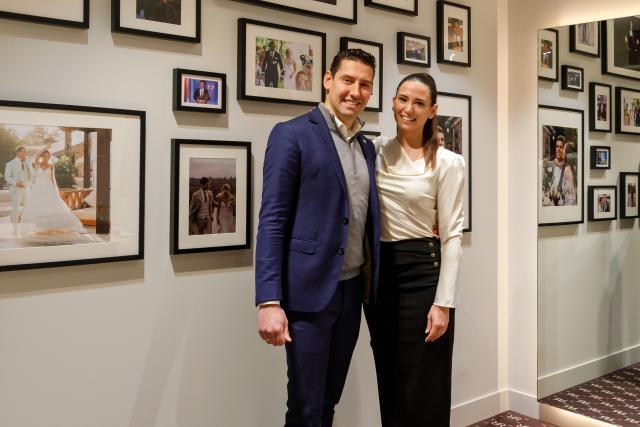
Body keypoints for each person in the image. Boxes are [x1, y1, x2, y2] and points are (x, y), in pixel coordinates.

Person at [255, 48, 380, 427]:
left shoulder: (366, 145)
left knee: (328, 402)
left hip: (351, 292)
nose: (355, 91)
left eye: (365, 85)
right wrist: (268, 301)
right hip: (308, 295)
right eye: (348, 80)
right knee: (306, 408)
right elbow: (273, 220)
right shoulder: (291, 135)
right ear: (328, 80)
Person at [366, 73, 465, 426]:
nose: (409, 109)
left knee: (426, 383)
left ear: (432, 110)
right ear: (392, 102)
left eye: (419, 103)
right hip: (379, 277)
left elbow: (452, 234)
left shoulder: (448, 162)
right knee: (390, 378)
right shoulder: (373, 151)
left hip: (424, 274)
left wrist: (444, 303)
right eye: (403, 99)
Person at [20, 147, 85, 233]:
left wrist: (55, 189)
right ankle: (41, 227)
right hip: (38, 188)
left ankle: (51, 226)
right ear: (42, 156)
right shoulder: (37, 164)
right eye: (45, 156)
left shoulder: (51, 166)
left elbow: (52, 179)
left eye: (48, 156)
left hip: (48, 187)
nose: (46, 158)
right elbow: (37, 155)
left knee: (52, 207)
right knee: (40, 207)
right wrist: (45, 148)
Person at [542, 135, 577, 206]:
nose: (558, 149)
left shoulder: (567, 167)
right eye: (557, 146)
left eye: (561, 147)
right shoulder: (549, 164)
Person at [4, 146, 34, 226]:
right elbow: (7, 177)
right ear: (18, 153)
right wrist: (16, 183)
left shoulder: (28, 161)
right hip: (16, 189)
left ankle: (23, 226)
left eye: (25, 152)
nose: (25, 153)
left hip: (27, 187)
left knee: (27, 207)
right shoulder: (10, 164)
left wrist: (30, 181)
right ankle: (14, 227)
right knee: (16, 209)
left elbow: (31, 173)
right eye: (23, 152)